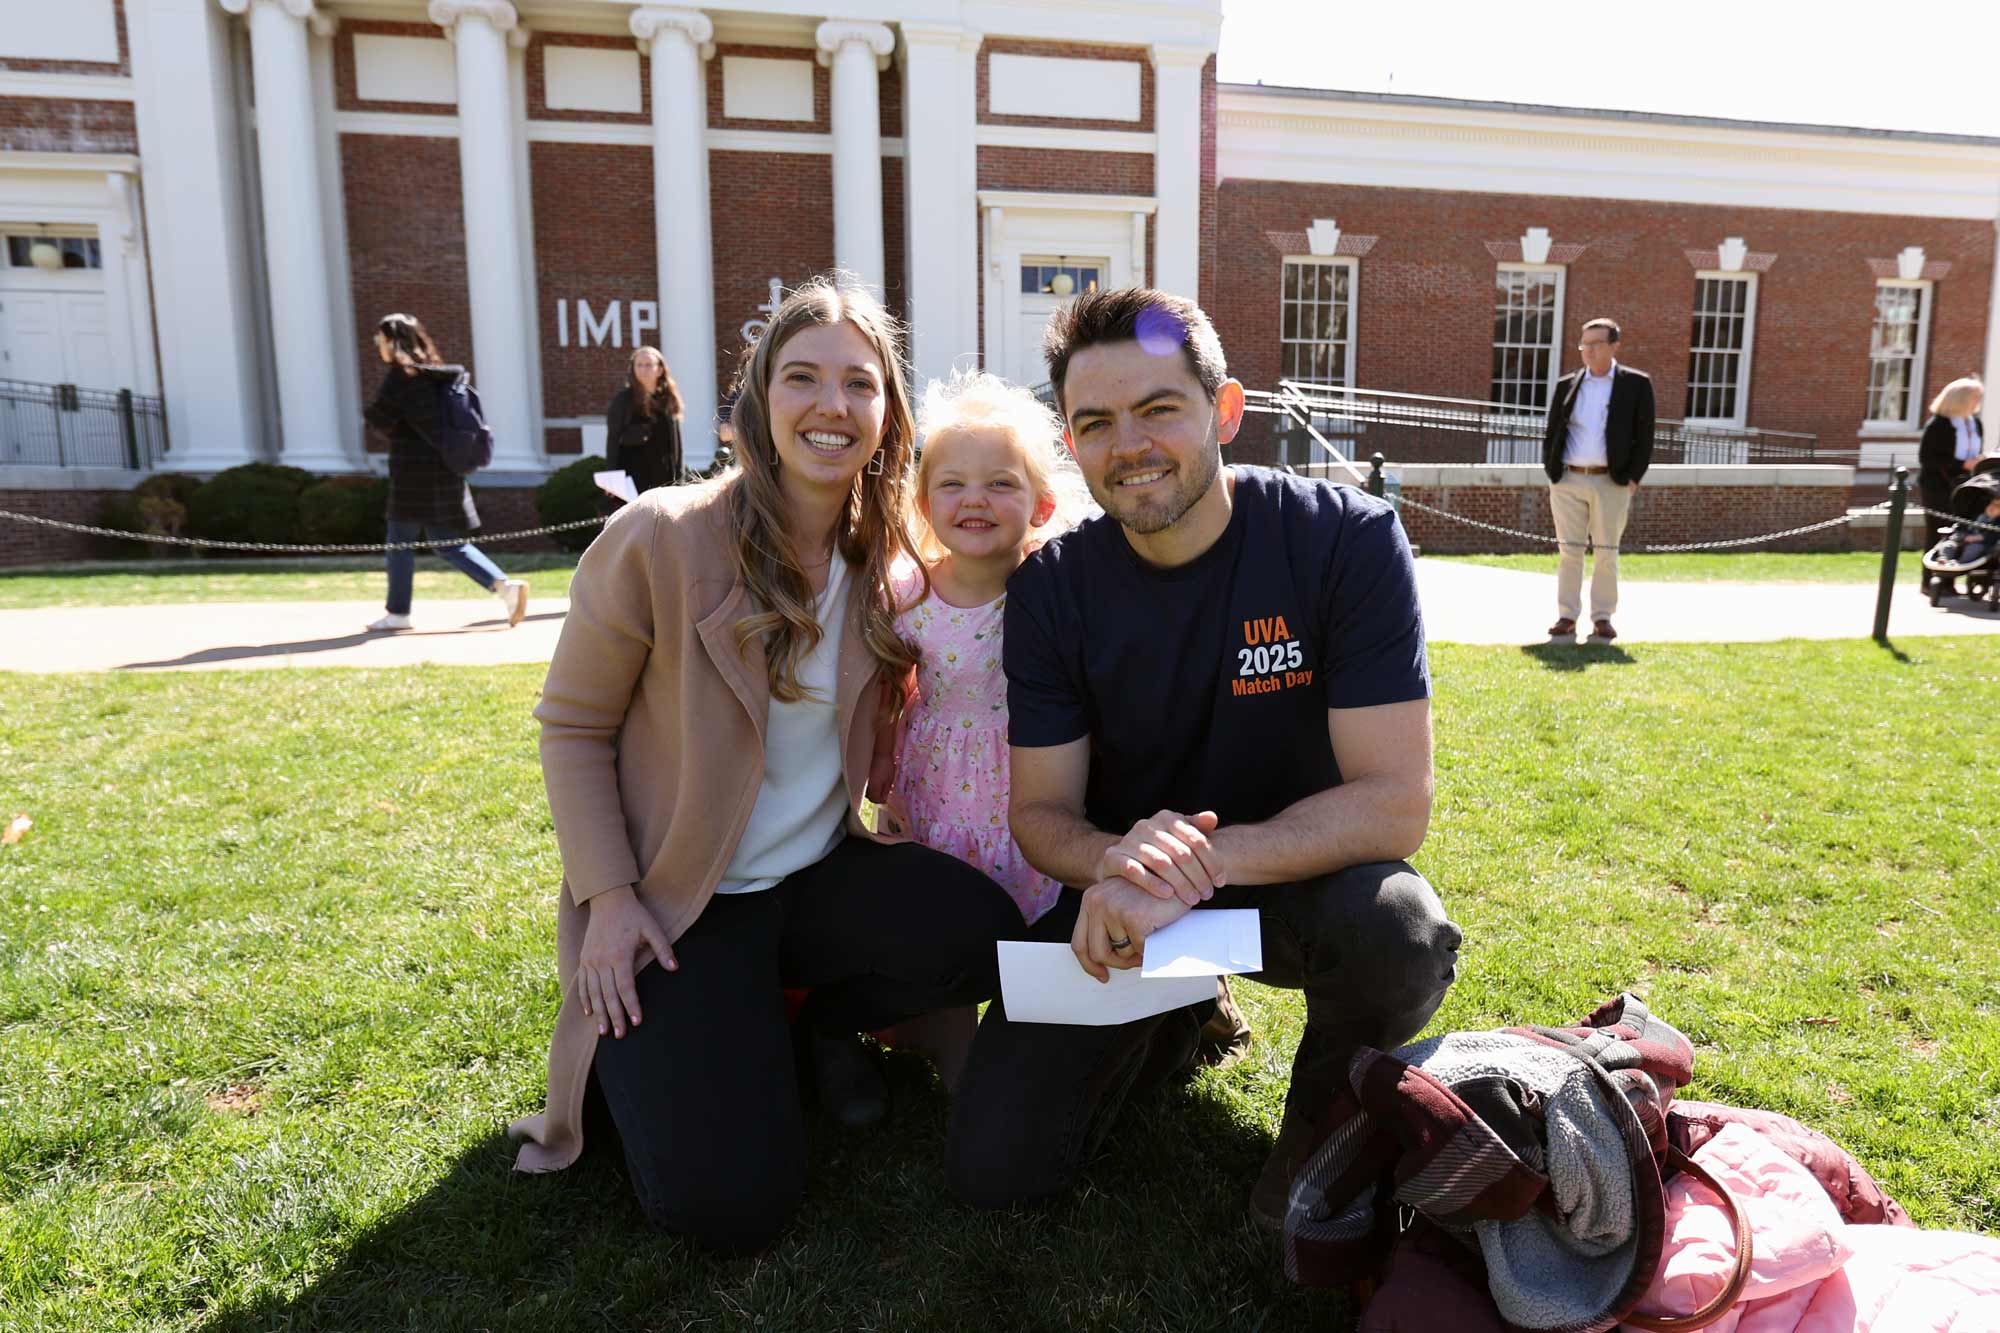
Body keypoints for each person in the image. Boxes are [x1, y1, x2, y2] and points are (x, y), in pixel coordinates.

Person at [507, 276, 1022, 1257]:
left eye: (858, 385)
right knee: (729, 1209)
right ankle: (666, 1049)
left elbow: (998, 553)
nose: (831, 405)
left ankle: (804, 1028)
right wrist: (610, 899)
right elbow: (570, 728)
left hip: (816, 876)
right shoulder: (660, 536)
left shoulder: (880, 560)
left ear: (886, 414)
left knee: (983, 924)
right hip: (678, 906)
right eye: (802, 378)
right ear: (759, 399)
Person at [943, 287, 1463, 1232]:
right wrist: (1116, 864)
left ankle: (1320, 1131)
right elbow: (1042, 813)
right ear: (1072, 441)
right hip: (1125, 901)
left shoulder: (1344, 540)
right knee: (997, 1168)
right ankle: (1180, 1014)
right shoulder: (1054, 588)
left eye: (1158, 409)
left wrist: (1197, 867)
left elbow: (1394, 803)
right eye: (1096, 422)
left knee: (1401, 930)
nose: (1129, 443)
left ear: (1225, 411)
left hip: (1290, 887)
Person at [868, 372, 1082, 1087]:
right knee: (944, 925)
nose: (975, 500)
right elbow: (887, 692)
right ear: (925, 501)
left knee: (1029, 919)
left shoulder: (1050, 586)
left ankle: (1028, 1042)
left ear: (1040, 503)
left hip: (1022, 778)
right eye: (953, 484)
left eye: (1000, 484)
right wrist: (879, 783)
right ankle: (956, 1056)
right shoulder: (908, 591)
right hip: (931, 781)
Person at [361, 313, 528, 632]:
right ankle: (506, 587)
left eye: (379, 341)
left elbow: (378, 420)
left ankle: (398, 613)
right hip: (446, 472)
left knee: (399, 542)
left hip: (413, 477)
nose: (377, 347)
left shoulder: (402, 379)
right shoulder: (437, 377)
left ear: (392, 342)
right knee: (446, 543)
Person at [1540, 317, 1655, 642]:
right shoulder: (1568, 384)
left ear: (1614, 346)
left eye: (1595, 344)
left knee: (1606, 552)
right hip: (1568, 480)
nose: (1587, 350)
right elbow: (1552, 432)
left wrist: (1633, 478)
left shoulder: (1635, 384)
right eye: (1583, 344)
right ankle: (1566, 616)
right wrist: (1553, 473)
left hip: (1612, 482)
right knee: (1569, 552)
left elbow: (1645, 436)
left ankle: (1602, 617)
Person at [1916, 376, 1984, 598]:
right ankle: (1930, 581)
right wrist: (1962, 464)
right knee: (1938, 532)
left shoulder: (1975, 424)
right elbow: (1927, 458)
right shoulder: (1939, 425)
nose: (1978, 402)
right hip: (1939, 486)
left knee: (1961, 533)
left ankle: (1951, 582)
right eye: (1975, 398)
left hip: (1966, 486)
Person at [603, 346, 685, 498]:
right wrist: (612, 477)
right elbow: (613, 439)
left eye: (648, 365)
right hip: (633, 477)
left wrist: (679, 478)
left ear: (660, 370)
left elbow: (676, 445)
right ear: (632, 369)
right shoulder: (623, 400)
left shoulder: (668, 399)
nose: (643, 369)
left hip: (664, 477)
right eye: (639, 365)